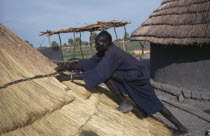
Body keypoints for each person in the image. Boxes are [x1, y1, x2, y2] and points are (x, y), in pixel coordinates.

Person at [55, 31, 189, 134]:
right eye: (95, 42)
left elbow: (98, 73)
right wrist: (66, 66)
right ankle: (125, 102)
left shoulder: (111, 54)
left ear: (106, 43)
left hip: (138, 77)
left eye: (98, 43)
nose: (95, 45)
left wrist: (68, 77)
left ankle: (181, 128)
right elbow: (89, 63)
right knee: (105, 74)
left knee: (154, 103)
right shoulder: (104, 52)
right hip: (130, 74)